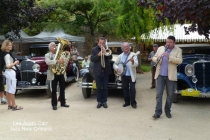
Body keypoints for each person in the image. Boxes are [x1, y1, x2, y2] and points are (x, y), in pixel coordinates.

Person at [152, 36, 182, 119]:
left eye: (170, 42)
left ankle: (167, 110)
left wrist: (169, 57)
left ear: (174, 43)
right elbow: (154, 58)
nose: (168, 44)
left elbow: (179, 61)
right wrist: (157, 58)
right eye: (167, 42)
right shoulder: (161, 48)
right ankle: (157, 112)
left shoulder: (178, 50)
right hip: (160, 75)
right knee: (158, 95)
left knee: (170, 95)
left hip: (170, 76)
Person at [45, 42, 70, 110]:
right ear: (49, 48)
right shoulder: (47, 55)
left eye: (55, 45)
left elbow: (65, 60)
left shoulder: (60, 53)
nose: (54, 47)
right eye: (52, 46)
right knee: (53, 90)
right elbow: (48, 62)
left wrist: (67, 54)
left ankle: (63, 102)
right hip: (53, 74)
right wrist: (57, 61)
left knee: (62, 89)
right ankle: (54, 104)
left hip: (61, 73)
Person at [113, 42, 139, 108]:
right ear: (122, 48)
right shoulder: (120, 56)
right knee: (125, 89)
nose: (126, 48)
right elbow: (114, 64)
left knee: (132, 89)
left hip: (131, 76)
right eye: (125, 47)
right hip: (124, 75)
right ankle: (127, 102)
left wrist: (133, 62)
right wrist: (117, 68)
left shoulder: (133, 55)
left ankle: (133, 103)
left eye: (127, 46)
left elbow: (136, 64)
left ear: (129, 47)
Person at [1, 39, 23, 110]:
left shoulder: (3, 53)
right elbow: (8, 65)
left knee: (8, 89)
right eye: (9, 45)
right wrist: (15, 63)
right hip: (10, 72)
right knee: (12, 89)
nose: (11, 46)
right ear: (6, 46)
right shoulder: (7, 55)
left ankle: (10, 105)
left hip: (8, 72)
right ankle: (14, 105)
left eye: (11, 45)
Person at [91, 37, 112, 109]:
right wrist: (98, 55)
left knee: (105, 88)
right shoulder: (94, 49)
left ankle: (104, 101)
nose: (102, 44)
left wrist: (105, 53)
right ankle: (99, 102)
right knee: (99, 87)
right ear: (98, 42)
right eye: (100, 43)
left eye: (103, 43)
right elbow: (92, 59)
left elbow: (110, 57)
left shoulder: (107, 49)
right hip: (98, 72)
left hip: (106, 71)